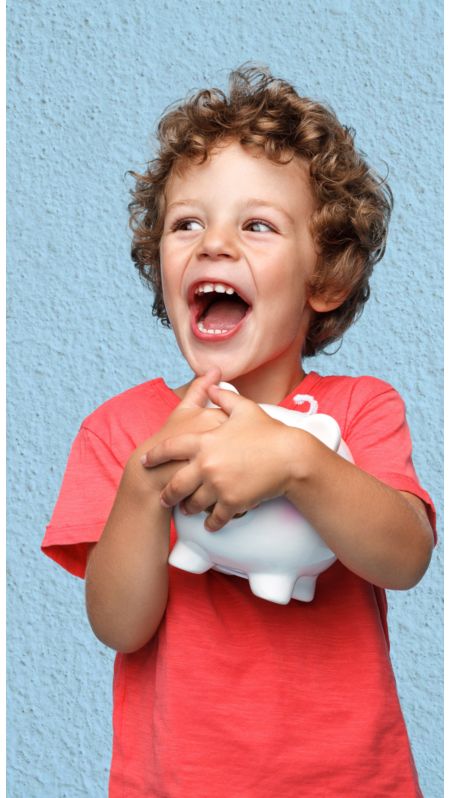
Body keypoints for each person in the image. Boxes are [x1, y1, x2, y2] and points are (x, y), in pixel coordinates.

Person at [42, 65, 436, 797]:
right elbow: (118, 627)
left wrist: (296, 462)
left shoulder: (359, 409)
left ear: (325, 281)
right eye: (186, 223)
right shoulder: (121, 429)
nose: (213, 244)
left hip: (350, 784)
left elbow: (404, 556)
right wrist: (141, 487)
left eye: (255, 225)